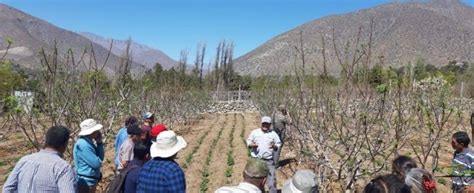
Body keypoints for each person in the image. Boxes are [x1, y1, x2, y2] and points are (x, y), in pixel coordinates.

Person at [3, 126, 76, 193]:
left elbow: (8, 189)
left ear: (46, 140)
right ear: (65, 144)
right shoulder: (63, 168)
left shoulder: (24, 160)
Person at [247, 116, 281, 193]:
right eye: (264, 124)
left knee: (272, 182)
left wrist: (274, 146)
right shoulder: (255, 132)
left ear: (270, 125)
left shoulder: (273, 134)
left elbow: (278, 144)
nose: (265, 125)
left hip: (269, 161)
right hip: (256, 161)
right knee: (256, 181)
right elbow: (249, 141)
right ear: (261, 123)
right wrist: (252, 145)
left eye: (267, 124)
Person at [74, 118, 105, 193]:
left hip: (90, 181)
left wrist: (99, 143)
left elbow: (99, 159)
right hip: (86, 182)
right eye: (96, 131)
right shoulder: (84, 145)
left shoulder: (88, 143)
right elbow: (96, 163)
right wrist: (99, 144)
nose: (98, 132)